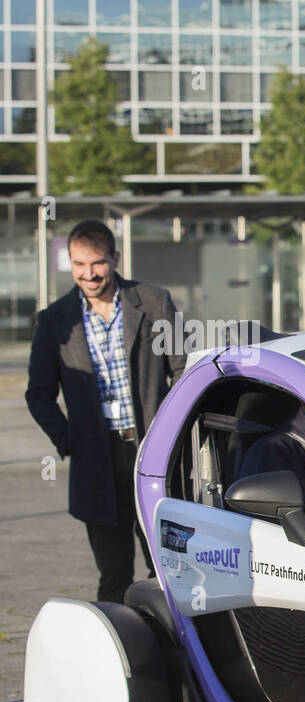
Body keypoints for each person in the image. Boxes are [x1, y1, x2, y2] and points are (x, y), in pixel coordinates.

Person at [26, 220, 185, 604]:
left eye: (96, 263)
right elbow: (39, 394)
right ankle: (118, 653)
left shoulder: (153, 301)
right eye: (79, 264)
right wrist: (68, 439)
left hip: (151, 451)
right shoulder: (54, 320)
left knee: (166, 567)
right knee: (113, 573)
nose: (89, 273)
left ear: (114, 258)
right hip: (95, 458)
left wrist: (175, 435)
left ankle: (175, 650)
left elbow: (182, 369)